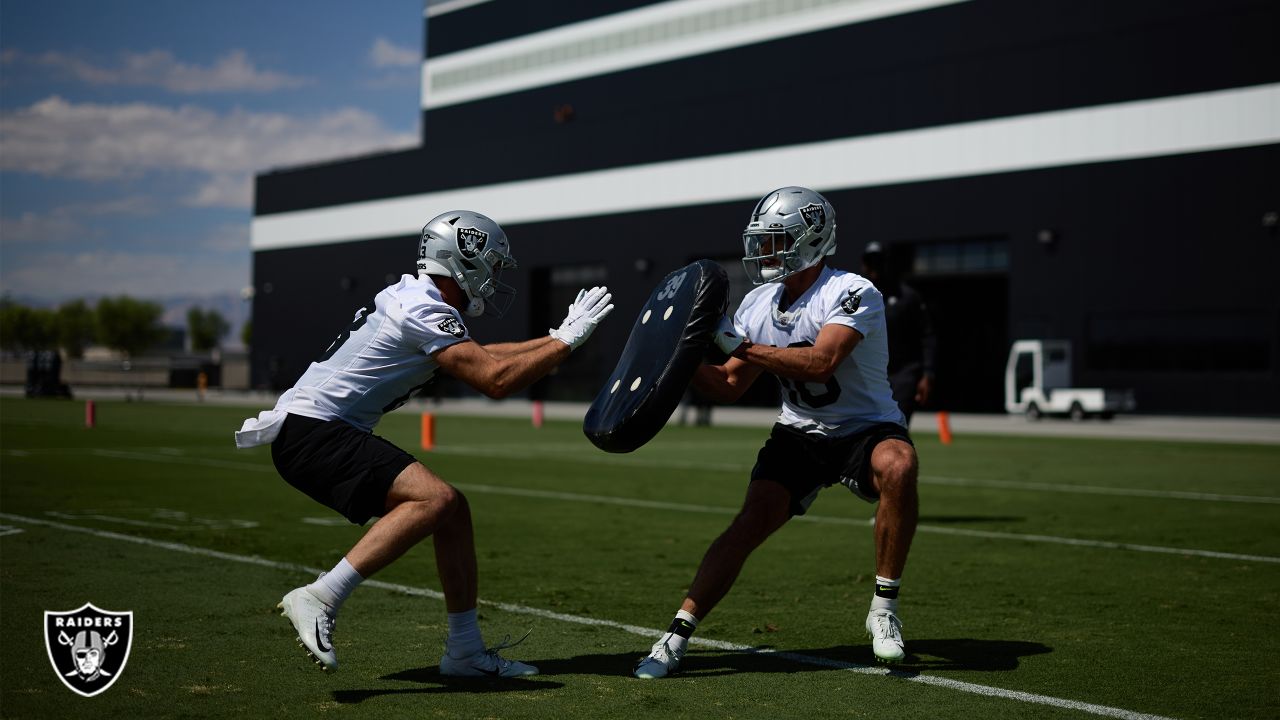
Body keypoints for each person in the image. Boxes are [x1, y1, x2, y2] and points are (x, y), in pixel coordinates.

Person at [234, 210, 613, 676]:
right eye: (491, 265)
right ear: (463, 260)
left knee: (453, 512)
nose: (493, 278)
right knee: (436, 499)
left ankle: (465, 653)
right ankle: (320, 597)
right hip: (317, 432)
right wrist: (567, 345)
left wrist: (555, 338)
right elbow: (494, 379)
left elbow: (485, 355)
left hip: (316, 429)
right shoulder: (422, 307)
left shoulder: (418, 299)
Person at [633, 187, 920, 678]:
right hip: (798, 434)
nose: (764, 251)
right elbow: (727, 384)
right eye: (762, 240)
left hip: (864, 427)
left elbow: (821, 362)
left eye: (776, 240)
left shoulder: (852, 291)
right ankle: (676, 636)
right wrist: (676, 358)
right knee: (746, 525)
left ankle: (883, 611)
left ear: (811, 240)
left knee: (899, 464)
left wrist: (737, 345)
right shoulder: (758, 301)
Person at [860, 241, 937, 426]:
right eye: (870, 262)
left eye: (878, 261)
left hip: (903, 373)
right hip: (869, 374)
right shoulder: (857, 296)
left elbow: (927, 336)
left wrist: (928, 373)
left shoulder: (908, 297)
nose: (874, 268)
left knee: (896, 426)